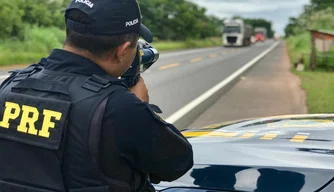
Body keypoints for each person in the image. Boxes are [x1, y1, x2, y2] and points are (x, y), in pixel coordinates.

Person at [0, 0, 193, 192]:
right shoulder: (120, 107)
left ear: (71, 35)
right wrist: (141, 106)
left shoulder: (11, 85)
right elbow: (177, 163)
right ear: (123, 51)